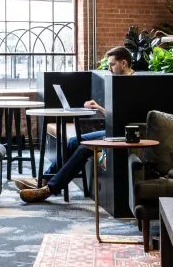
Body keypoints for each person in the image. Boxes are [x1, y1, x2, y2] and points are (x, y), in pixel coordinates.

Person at [18, 46, 134, 203]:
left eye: (112, 64)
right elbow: (116, 115)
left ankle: (49, 189)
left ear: (124, 63)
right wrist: (99, 107)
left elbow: (123, 118)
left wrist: (99, 109)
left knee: (83, 147)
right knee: (73, 141)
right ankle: (44, 179)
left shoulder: (132, 83)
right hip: (111, 130)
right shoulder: (119, 81)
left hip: (122, 134)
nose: (109, 69)